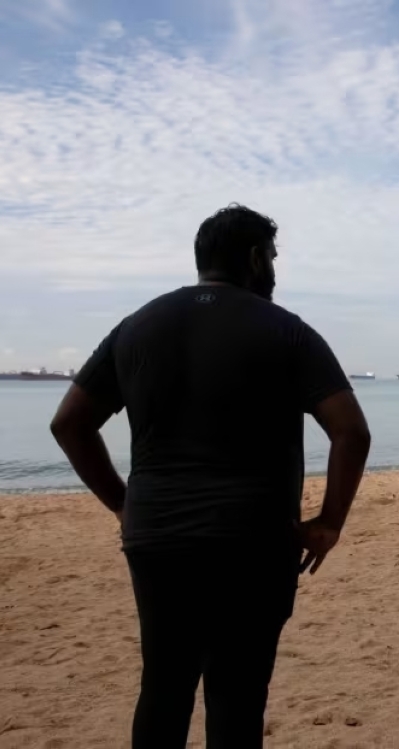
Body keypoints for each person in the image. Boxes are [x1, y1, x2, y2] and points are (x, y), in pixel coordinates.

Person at [50, 204, 371, 749]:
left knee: (164, 684)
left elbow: (69, 424)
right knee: (238, 694)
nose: (273, 270)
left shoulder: (136, 326)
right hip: (254, 540)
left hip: (157, 538)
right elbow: (351, 432)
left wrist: (123, 504)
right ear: (253, 258)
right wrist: (329, 522)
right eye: (271, 257)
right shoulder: (287, 331)